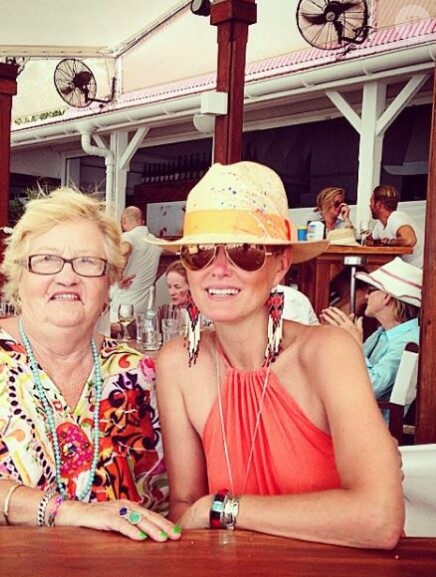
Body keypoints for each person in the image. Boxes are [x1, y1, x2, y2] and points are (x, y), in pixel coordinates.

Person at [0, 188, 180, 542]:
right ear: (18, 278)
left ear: (110, 283)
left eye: (88, 261)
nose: (67, 277)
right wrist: (69, 513)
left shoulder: (138, 375)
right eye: (46, 260)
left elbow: (162, 498)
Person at [152, 162, 403, 549]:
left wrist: (223, 510)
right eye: (200, 253)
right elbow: (184, 510)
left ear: (280, 264)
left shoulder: (326, 352)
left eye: (245, 251)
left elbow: (379, 518)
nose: (218, 270)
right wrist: (204, 512)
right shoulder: (178, 363)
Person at [320, 257, 421, 400]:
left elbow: (370, 387)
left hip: (373, 419)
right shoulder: (382, 333)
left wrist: (355, 344)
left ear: (386, 297)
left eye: (371, 290)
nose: (366, 296)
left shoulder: (409, 341)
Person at [109, 206, 162, 327]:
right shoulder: (156, 242)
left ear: (123, 222)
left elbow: (125, 249)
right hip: (143, 307)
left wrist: (117, 275)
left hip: (122, 308)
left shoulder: (128, 236)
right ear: (142, 221)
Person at [368, 184, 424, 268]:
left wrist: (389, 242)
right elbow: (368, 240)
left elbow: (409, 240)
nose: (370, 206)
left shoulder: (396, 217)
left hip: (421, 271)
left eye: (371, 202)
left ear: (378, 205)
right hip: (406, 270)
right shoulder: (380, 224)